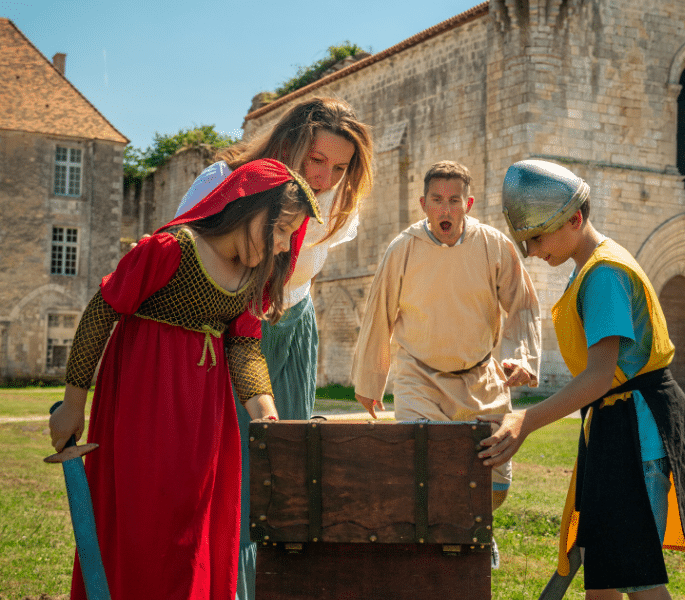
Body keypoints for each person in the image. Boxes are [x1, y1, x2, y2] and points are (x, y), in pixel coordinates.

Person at [48, 159, 322, 600]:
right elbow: (103, 309)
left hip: (205, 418)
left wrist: (266, 415)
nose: (283, 245)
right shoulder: (170, 248)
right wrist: (73, 404)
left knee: (193, 524)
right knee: (145, 521)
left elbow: (244, 347)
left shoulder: (253, 275)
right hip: (146, 398)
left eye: (290, 234)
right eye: (281, 229)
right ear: (250, 208)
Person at [174, 96, 373, 599]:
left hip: (294, 328)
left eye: (341, 166)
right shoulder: (225, 178)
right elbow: (181, 255)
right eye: (317, 160)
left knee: (286, 469)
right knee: (232, 468)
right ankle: (224, 585)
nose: (327, 177)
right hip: (230, 327)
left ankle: (279, 585)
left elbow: (301, 274)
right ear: (290, 142)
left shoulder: (338, 203)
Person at [478, 160, 685, 599]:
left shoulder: (604, 275)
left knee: (636, 572)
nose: (533, 250)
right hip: (617, 424)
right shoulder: (589, 267)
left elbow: (599, 377)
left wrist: (526, 420)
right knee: (605, 570)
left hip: (638, 431)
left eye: (537, 236)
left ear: (574, 219)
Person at [350, 160, 541, 564]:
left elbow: (522, 306)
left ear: (468, 203)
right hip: (420, 377)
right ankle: (429, 550)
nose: (446, 209)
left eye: (454, 200)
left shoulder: (494, 245)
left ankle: (478, 526)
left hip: (482, 377)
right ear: (423, 204)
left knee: (496, 482)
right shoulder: (402, 248)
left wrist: (520, 357)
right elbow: (379, 313)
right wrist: (370, 381)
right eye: (437, 200)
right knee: (422, 470)